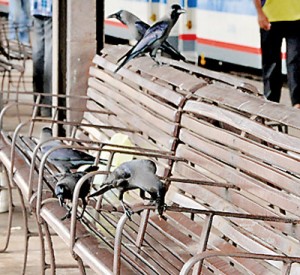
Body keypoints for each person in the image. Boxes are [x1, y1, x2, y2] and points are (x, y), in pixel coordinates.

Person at [253, 0, 300, 108]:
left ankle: (297, 104)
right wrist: (260, 13)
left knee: (296, 61)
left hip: (297, 17)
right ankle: (270, 104)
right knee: (271, 64)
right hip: (270, 17)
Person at [31, 0, 53, 117]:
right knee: (50, 56)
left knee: (38, 53)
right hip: (52, 8)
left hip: (36, 6)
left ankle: (37, 104)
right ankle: (48, 107)